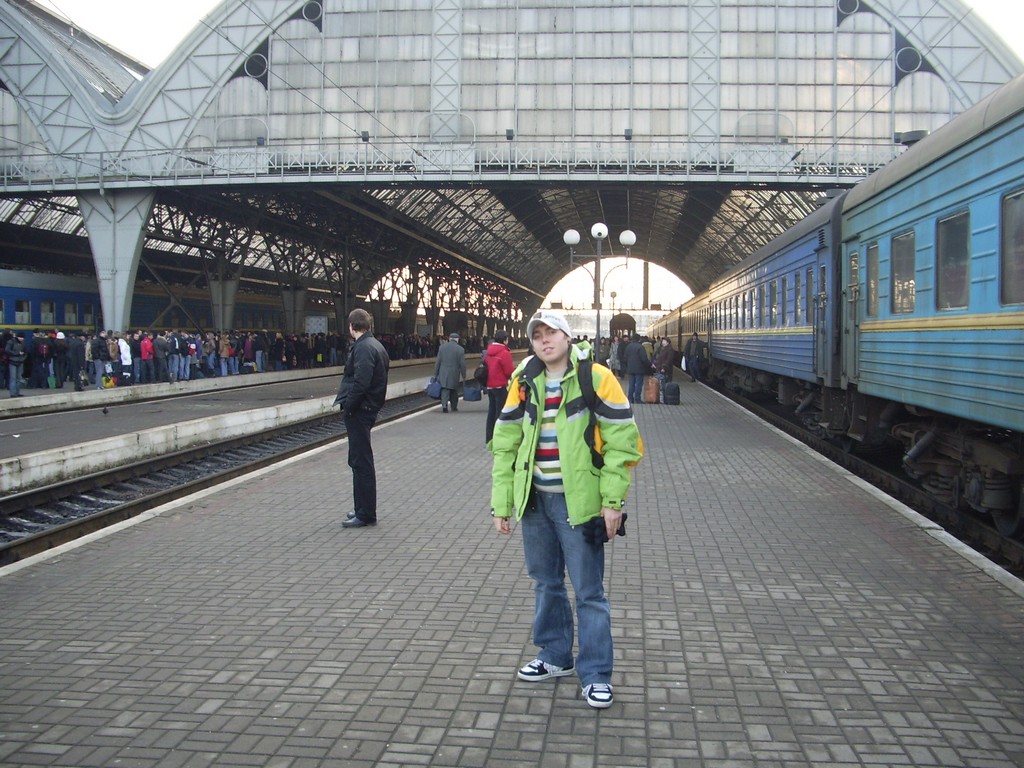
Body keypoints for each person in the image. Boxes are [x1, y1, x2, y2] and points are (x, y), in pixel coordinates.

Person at [490, 310, 642, 709]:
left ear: (567, 336)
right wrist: (502, 503)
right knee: (546, 583)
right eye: (537, 334)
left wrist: (612, 503)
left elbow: (622, 442)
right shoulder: (524, 380)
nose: (544, 340)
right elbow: (505, 443)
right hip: (535, 501)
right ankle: (555, 655)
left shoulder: (596, 378)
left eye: (551, 332)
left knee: (589, 592)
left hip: (581, 504)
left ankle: (596, 674)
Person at [333, 308, 390, 529]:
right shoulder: (375, 345)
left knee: (361, 462)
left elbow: (361, 382)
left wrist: (349, 406)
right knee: (359, 460)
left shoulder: (364, 348)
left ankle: (365, 513)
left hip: (361, 410)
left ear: (351, 326)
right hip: (367, 408)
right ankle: (362, 508)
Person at [482, 329, 515, 444]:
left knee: (491, 412)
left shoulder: (488, 352)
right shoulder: (504, 353)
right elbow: (508, 371)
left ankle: (489, 437)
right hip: (501, 386)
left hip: (490, 386)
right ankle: (498, 437)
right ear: (505, 340)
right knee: (500, 413)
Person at [434, 331, 466, 413]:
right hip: (454, 372)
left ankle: (444, 405)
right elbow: (462, 364)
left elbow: (438, 362)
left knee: (445, 389)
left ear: (449, 339)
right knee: (454, 390)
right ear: (457, 339)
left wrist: (436, 373)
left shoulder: (442, 347)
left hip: (443, 372)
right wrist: (464, 375)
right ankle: (454, 406)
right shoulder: (460, 349)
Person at [622, 333, 652, 404]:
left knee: (631, 384)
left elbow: (625, 358)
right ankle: (637, 399)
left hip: (630, 369)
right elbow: (644, 359)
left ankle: (630, 399)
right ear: (639, 339)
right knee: (638, 384)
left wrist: (627, 366)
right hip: (639, 369)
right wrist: (650, 365)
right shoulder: (640, 347)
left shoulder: (628, 346)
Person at [5, 331, 27, 397]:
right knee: (13, 378)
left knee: (19, 378)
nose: (22, 339)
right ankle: (13, 393)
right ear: (17, 337)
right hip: (12, 361)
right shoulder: (11, 342)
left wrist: (23, 358)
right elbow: (7, 350)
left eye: (23, 338)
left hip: (20, 362)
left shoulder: (23, 343)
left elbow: (25, 352)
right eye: (21, 337)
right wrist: (17, 353)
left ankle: (17, 392)